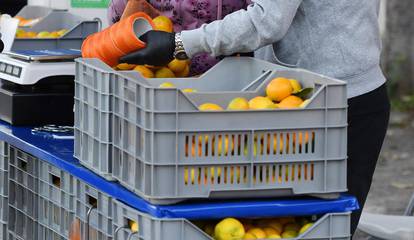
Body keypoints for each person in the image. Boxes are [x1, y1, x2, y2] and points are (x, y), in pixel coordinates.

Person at [119, 0, 390, 235]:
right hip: (304, 100)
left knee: (317, 227)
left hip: (334, 105)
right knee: (284, 225)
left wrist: (179, 43)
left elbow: (268, 20)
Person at [108, 0, 249, 75]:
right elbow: (117, 20)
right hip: (157, 79)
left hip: (225, 82)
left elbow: (261, 20)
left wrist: (179, 43)